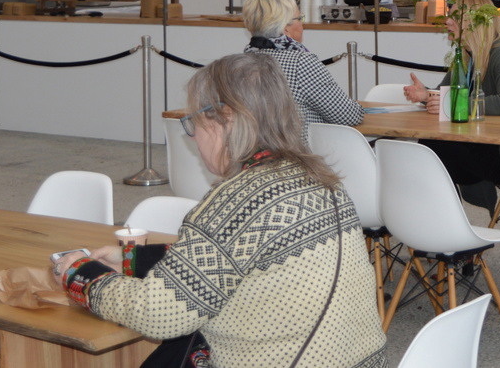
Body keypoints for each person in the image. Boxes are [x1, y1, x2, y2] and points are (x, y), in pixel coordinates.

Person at [54, 53, 387, 368]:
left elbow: (159, 315)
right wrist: (135, 260)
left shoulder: (237, 201)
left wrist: (81, 274)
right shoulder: (321, 180)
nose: (193, 137)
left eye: (194, 123)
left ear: (225, 118)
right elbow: (237, 257)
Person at [402, 0, 500, 233]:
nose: (447, 22)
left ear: (473, 22)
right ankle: (447, 229)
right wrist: (426, 95)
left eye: (454, 17)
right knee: (430, 149)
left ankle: (450, 231)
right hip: (486, 145)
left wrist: (452, 105)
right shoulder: (467, 56)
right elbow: (447, 97)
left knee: (433, 150)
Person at [242, 0, 364, 139]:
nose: (302, 24)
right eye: (299, 19)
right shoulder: (301, 63)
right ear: (286, 28)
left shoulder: (242, 62)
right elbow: (348, 115)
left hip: (255, 151)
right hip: (298, 151)